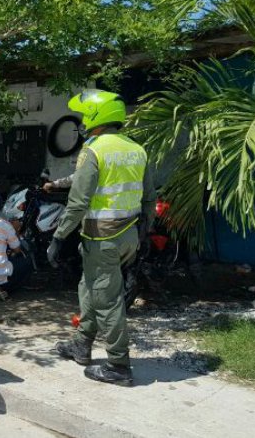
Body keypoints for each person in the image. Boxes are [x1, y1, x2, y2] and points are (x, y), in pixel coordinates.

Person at [47, 89, 156, 386]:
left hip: (102, 238)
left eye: (85, 115)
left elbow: (78, 201)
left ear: (97, 115)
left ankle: (118, 365)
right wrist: (144, 231)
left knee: (107, 300)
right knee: (89, 289)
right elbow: (150, 197)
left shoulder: (94, 151)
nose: (82, 121)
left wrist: (58, 237)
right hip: (128, 235)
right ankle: (81, 344)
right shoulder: (136, 149)